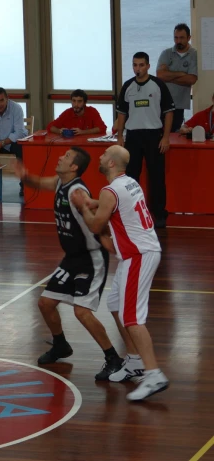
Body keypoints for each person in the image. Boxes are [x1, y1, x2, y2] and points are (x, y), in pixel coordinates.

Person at [14, 148, 122, 380]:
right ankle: (61, 345)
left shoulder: (78, 191)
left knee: (81, 312)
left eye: (67, 157)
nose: (61, 157)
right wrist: (25, 176)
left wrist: (106, 238)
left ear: (74, 167)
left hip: (91, 258)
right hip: (71, 258)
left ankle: (113, 357)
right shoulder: (60, 182)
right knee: (45, 303)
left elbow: (97, 220)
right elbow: (41, 182)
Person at [77, 145, 169, 401]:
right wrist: (95, 202)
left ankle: (154, 375)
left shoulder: (110, 190)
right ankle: (135, 361)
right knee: (116, 304)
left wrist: (83, 207)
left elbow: (96, 224)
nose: (100, 156)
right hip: (139, 253)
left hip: (139, 255)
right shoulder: (129, 183)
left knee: (132, 318)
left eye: (105, 155)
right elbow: (117, 205)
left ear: (112, 164)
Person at [114, 52, 175, 229]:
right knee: (131, 177)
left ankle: (159, 214)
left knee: (156, 176)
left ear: (148, 66)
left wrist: (165, 137)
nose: (137, 69)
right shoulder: (128, 87)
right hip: (133, 136)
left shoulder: (158, 85)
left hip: (154, 136)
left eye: (141, 65)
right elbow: (122, 114)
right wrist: (119, 137)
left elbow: (169, 112)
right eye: (135, 65)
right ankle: (132, 212)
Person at [157, 23, 198, 133]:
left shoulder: (193, 55)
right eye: (176, 37)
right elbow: (160, 75)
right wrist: (182, 73)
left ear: (189, 38)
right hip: (161, 104)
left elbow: (191, 80)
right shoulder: (166, 53)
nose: (178, 41)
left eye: (181, 38)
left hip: (179, 105)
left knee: (173, 136)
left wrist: (168, 75)